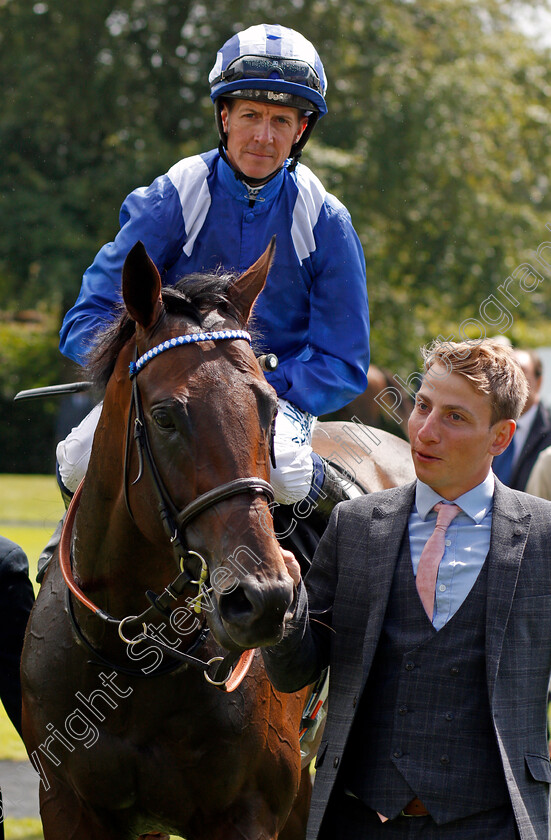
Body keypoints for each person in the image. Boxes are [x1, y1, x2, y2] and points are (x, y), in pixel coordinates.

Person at [55, 23, 370, 515]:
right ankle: (63, 570)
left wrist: (252, 386)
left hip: (272, 396)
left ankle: (327, 563)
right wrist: (152, 370)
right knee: (75, 461)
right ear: (224, 117)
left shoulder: (326, 219)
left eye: (281, 121)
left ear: (301, 130)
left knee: (287, 472)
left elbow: (345, 361)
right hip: (165, 388)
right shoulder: (172, 197)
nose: (264, 137)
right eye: (250, 115)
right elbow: (88, 320)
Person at [263, 338, 551, 840]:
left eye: (455, 417)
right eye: (422, 406)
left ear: (500, 437)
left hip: (495, 824)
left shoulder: (544, 537)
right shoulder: (354, 525)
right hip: (356, 820)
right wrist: (287, 609)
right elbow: (295, 672)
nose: (424, 430)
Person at [492, 348, 551, 490]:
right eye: (505, 372)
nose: (511, 380)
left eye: (521, 372)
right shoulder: (485, 423)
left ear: (539, 382)